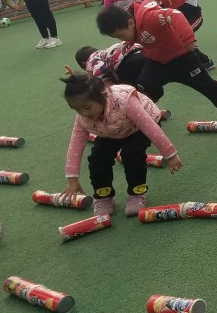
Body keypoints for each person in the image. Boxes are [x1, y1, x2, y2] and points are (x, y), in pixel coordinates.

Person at [59, 71, 182, 217]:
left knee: (131, 154)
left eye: (87, 107)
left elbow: (149, 127)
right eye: (77, 109)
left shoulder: (125, 101)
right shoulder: (83, 117)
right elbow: (75, 145)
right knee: (98, 157)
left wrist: (170, 154)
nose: (83, 113)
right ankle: (103, 196)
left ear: (103, 96)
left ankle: (136, 193)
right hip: (111, 131)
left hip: (138, 127)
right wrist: (72, 180)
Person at [96, 2, 217, 121]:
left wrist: (188, 38)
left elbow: (175, 14)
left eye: (121, 35)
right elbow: (137, 33)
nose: (120, 39)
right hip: (157, 61)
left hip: (183, 58)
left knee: (205, 85)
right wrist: (129, 40)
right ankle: (148, 113)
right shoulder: (130, 25)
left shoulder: (149, 17)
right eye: (117, 37)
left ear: (131, 22)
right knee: (144, 85)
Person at [148, 0, 217, 69]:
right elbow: (156, 12)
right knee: (178, 40)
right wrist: (158, 6)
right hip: (175, 24)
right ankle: (203, 62)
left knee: (181, 38)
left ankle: (203, 62)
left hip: (194, 18)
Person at [75, 41, 147, 87]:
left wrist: (109, 87)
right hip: (144, 53)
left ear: (85, 64)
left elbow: (101, 71)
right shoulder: (105, 53)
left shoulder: (92, 60)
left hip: (129, 63)